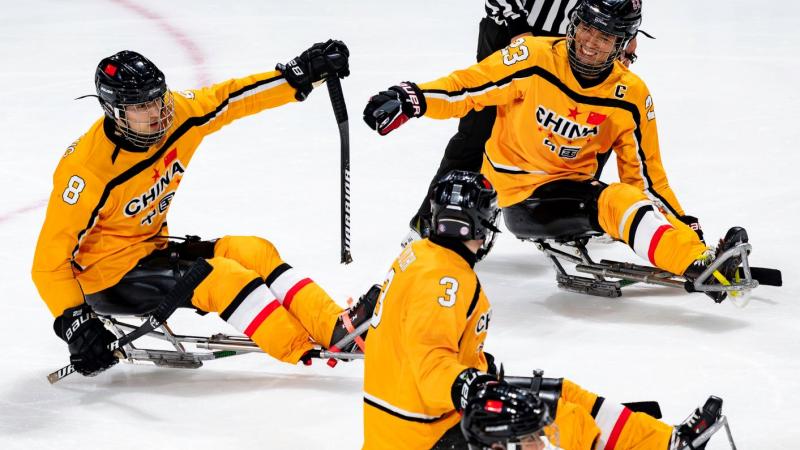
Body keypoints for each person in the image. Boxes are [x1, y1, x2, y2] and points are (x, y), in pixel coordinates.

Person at [363, 0, 747, 303]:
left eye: (605, 37)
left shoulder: (631, 95)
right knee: (465, 158)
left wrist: (687, 235)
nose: (590, 42)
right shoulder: (532, 57)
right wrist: (410, 98)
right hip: (512, 196)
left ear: (624, 43)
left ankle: (696, 265)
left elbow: (647, 178)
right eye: (586, 27)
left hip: (570, 193)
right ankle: (424, 237)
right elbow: (467, 86)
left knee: (621, 199)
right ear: (574, 21)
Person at [31, 42, 376, 378]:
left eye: (158, 100)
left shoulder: (176, 115)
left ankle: (336, 328)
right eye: (141, 107)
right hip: (107, 278)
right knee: (223, 277)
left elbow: (232, 98)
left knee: (253, 250)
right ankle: (303, 349)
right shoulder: (86, 172)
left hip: (150, 250)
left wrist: (298, 77)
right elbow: (48, 265)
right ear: (115, 112)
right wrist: (75, 323)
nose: (156, 114)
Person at [361, 170, 729, 450]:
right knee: (548, 412)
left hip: (402, 422)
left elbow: (412, 348)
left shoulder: (420, 255)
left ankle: (663, 441)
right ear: (483, 226)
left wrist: (478, 373)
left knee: (557, 393)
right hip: (422, 433)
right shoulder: (447, 280)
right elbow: (429, 364)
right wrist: (470, 386)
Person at [408, 0, 642, 239]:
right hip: (515, 31)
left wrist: (626, 38)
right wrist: (518, 28)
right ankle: (430, 221)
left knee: (590, 129)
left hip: (581, 37)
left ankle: (568, 220)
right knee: (479, 130)